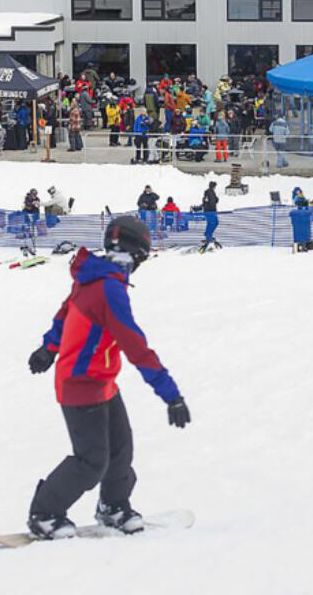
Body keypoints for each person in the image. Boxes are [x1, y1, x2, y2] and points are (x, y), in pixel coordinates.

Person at [24, 217, 189, 539]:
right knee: (91, 460)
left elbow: (66, 312)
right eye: (142, 258)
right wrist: (171, 395)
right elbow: (136, 347)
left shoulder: (98, 277)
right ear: (131, 255)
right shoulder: (108, 289)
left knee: (120, 452)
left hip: (102, 381)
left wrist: (49, 347)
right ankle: (44, 513)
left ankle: (113, 506)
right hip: (79, 383)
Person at [201, 181, 220, 248]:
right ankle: (208, 235)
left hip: (206, 211)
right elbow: (212, 202)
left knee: (210, 223)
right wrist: (213, 211)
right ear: (214, 186)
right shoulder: (211, 193)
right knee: (215, 223)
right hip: (211, 212)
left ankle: (208, 235)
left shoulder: (207, 193)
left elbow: (204, 202)